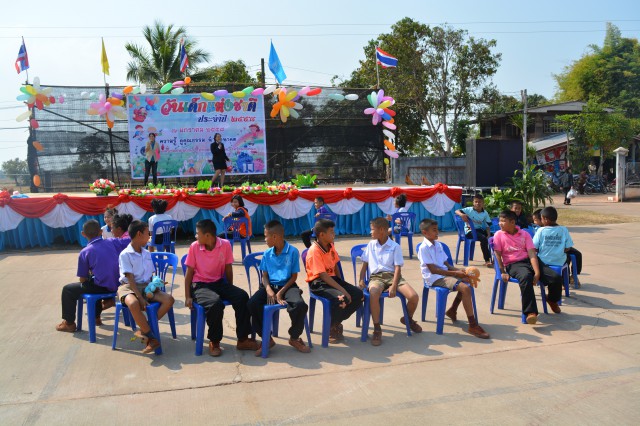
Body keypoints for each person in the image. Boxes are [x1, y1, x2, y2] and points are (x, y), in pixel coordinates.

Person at [184, 219, 259, 357]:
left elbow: (228, 268)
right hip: (200, 285)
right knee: (215, 304)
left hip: (219, 282)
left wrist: (230, 289)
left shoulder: (225, 245)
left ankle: (242, 339)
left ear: (207, 235)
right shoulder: (194, 246)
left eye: (197, 233)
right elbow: (189, 273)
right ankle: (214, 341)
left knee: (242, 296)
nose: (195, 236)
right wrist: (188, 296)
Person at [417, 218, 490, 339]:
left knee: (467, 281)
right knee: (465, 288)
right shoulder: (423, 248)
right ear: (425, 232)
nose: (437, 232)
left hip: (445, 274)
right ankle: (472, 325)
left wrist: (460, 271)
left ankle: (452, 310)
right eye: (434, 230)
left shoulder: (438, 245)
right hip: (434, 277)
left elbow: (447, 265)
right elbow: (433, 270)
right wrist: (455, 274)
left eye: (437, 229)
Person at [247, 220, 311, 355]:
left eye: (266, 236)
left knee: (300, 305)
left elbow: (293, 277)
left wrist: (280, 292)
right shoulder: (267, 253)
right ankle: (267, 338)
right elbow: (264, 276)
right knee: (252, 303)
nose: (265, 239)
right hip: (270, 286)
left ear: (275, 236)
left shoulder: (293, 251)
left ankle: (294, 337)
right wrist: (269, 290)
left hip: (288, 286)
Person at [56, 220, 130, 333]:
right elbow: (129, 240)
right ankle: (96, 317)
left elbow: (82, 278)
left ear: (83, 234)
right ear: (100, 232)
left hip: (104, 287)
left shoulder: (85, 252)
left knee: (69, 289)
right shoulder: (112, 241)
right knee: (94, 282)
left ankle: (69, 323)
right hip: (120, 284)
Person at [358, 217, 421, 346]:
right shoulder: (371, 244)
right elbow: (365, 264)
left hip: (394, 277)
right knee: (374, 293)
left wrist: (393, 285)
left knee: (413, 297)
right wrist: (361, 279)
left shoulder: (395, 246)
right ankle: (377, 328)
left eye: (372, 229)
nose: (370, 232)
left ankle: (407, 319)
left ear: (381, 230)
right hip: (376, 277)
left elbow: (397, 268)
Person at [492, 210, 563, 324]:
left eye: (503, 221)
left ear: (512, 222)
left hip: (530, 261)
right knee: (526, 277)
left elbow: (532, 254)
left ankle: (552, 299)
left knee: (555, 278)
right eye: (499, 221)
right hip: (514, 264)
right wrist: (502, 271)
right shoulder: (498, 235)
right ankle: (531, 312)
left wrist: (537, 272)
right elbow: (497, 255)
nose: (500, 223)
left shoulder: (524, 234)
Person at [118, 220, 175, 354]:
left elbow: (150, 275)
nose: (149, 237)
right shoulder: (125, 254)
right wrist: (140, 297)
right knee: (133, 303)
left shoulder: (146, 253)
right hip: (128, 287)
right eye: (147, 234)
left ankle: (144, 330)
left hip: (146, 286)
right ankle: (151, 338)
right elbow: (130, 279)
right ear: (139, 234)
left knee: (169, 299)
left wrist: (155, 285)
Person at [305, 219, 363, 343]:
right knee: (341, 298)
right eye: (331, 232)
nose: (334, 234)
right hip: (318, 282)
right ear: (322, 235)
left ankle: (335, 322)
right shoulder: (314, 251)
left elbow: (336, 266)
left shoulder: (330, 246)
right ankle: (331, 327)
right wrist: (343, 290)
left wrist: (343, 284)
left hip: (332, 279)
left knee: (359, 294)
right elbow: (323, 275)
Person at [534, 206, 582, 287]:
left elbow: (534, 247)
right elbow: (568, 248)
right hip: (559, 261)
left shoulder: (540, 230)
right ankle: (565, 281)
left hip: (543, 261)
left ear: (545, 219)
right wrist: (559, 250)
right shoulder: (564, 229)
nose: (541, 221)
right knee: (567, 258)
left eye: (541, 218)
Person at [455, 194, 493, 267]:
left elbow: (487, 226)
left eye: (480, 202)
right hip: (470, 231)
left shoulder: (485, 213)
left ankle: (495, 260)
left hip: (479, 230)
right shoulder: (469, 210)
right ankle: (487, 260)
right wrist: (462, 215)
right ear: (473, 202)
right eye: (476, 202)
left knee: (495, 237)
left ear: (483, 203)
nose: (478, 203)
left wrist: (488, 235)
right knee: (483, 239)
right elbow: (457, 211)